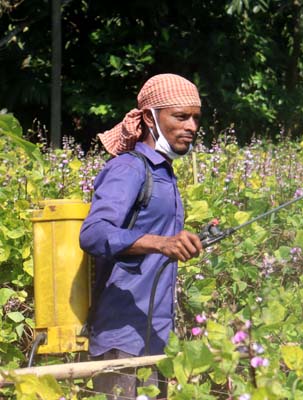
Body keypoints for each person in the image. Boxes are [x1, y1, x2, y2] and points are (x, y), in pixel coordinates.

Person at [80, 73, 204, 398]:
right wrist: (161, 244)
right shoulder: (130, 168)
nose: (191, 126)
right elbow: (94, 234)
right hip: (122, 338)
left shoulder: (164, 173)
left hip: (156, 337)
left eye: (195, 117)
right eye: (181, 116)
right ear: (150, 118)